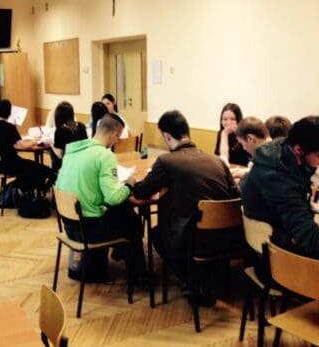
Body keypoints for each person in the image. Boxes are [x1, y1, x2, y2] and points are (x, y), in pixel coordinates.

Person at [132, 110, 241, 302]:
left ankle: (192, 280)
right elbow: (235, 196)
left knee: (157, 233)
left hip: (193, 241)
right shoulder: (217, 161)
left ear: (167, 136)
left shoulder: (166, 162)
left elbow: (141, 192)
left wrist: (131, 182)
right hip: (229, 238)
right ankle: (208, 276)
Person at [55, 114, 146, 275]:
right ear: (113, 134)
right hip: (88, 230)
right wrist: (129, 185)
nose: (117, 142)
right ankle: (138, 274)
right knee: (131, 220)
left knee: (124, 211)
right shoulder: (105, 156)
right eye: (118, 138)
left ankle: (121, 252)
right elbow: (113, 198)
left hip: (69, 225)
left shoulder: (73, 151)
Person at [241, 116, 319, 258]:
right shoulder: (276, 176)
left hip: (282, 232)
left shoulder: (282, 149)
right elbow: (307, 237)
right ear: (298, 150)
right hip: (275, 255)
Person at [0, 100, 54, 193]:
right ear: (10, 113)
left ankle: (26, 192)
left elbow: (6, 142)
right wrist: (34, 141)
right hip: (11, 164)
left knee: (33, 169)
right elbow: (22, 146)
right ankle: (23, 191)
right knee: (43, 170)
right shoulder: (8, 127)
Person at [231, 117, 271, 183]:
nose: (244, 148)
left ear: (250, 138)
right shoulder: (273, 149)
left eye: (242, 144)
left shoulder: (267, 157)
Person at [51, 101, 87, 172]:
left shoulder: (60, 130)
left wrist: (51, 144)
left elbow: (60, 155)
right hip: (81, 163)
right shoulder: (81, 126)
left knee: (53, 156)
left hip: (66, 166)